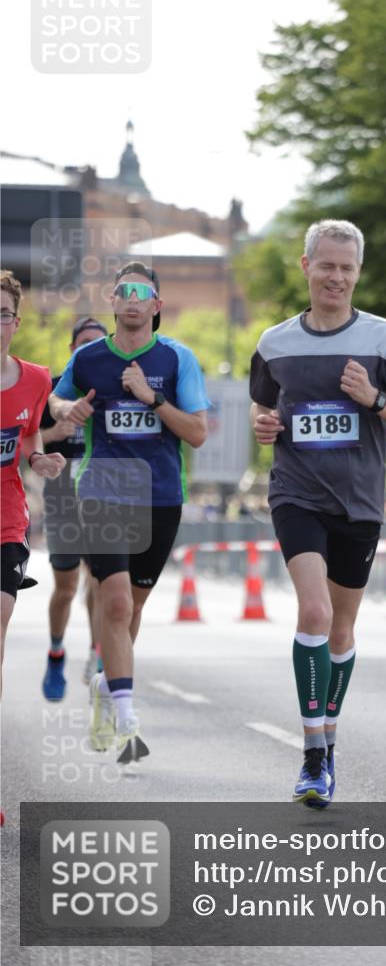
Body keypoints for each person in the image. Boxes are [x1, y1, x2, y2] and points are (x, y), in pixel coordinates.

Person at [249, 220, 386, 807]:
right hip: (296, 495)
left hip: (359, 502)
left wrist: (374, 399)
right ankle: (311, 756)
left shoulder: (384, 341)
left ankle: (329, 742)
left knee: (342, 628)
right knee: (314, 609)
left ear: (358, 272)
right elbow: (263, 413)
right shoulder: (274, 343)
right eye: (326, 265)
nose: (336, 276)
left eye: (346, 268)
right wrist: (264, 427)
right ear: (306, 267)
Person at [49, 262, 210, 763]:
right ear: (113, 302)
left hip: (161, 495)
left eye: (143, 293)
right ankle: (126, 716)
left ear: (157, 306)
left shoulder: (177, 358)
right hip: (101, 488)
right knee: (114, 602)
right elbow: (55, 398)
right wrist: (65, 411)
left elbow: (198, 433)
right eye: (124, 292)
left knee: (133, 608)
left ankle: (107, 683)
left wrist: (151, 397)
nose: (133, 299)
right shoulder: (89, 358)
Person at [1, 270, 66, 687]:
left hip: (6, 520)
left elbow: (28, 434)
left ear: (16, 322)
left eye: (3, 314)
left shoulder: (36, 379)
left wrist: (38, 459)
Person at [40, 316, 109, 700]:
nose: (87, 349)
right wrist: (54, 434)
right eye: (82, 343)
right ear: (71, 349)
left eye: (95, 343)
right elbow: (26, 442)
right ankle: (55, 652)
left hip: (102, 496)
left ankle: (97, 656)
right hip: (62, 497)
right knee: (66, 587)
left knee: (100, 581)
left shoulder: (112, 391)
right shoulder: (51, 392)